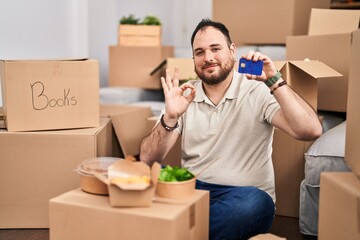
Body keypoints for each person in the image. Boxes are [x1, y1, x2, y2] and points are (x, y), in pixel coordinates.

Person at [140, 18, 322, 240]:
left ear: (232, 50)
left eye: (215, 49)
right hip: (193, 191)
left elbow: (310, 130)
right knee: (145, 184)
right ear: (194, 59)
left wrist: (274, 80)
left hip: (245, 196)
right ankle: (184, 227)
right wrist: (170, 117)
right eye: (199, 52)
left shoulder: (257, 90)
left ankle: (175, 229)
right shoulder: (185, 96)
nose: (208, 58)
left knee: (251, 205)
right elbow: (147, 159)